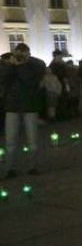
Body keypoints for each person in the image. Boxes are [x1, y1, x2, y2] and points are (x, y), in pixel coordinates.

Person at [1, 44, 47, 178]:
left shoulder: (35, 65)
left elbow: (31, 81)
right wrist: (11, 65)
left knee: (32, 140)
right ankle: (10, 169)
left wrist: (23, 63)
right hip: (12, 106)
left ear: (28, 53)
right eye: (17, 53)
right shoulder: (8, 65)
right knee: (10, 140)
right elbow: (3, 80)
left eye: (22, 53)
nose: (19, 56)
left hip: (30, 106)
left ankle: (32, 167)